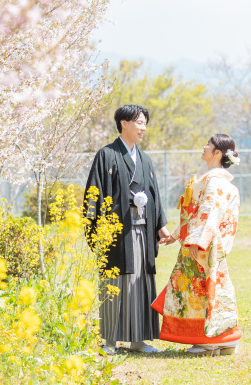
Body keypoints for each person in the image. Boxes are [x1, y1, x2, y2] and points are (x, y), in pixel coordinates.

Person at [84, 104, 173, 354]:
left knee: (142, 281)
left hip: (143, 229)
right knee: (117, 280)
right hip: (116, 231)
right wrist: (97, 229)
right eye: (139, 122)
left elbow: (155, 195)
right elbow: (94, 192)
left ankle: (139, 339)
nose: (144, 128)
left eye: (145, 123)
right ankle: (110, 340)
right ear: (124, 123)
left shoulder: (145, 159)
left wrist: (161, 226)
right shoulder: (107, 154)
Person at [151, 133, 242, 356]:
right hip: (207, 242)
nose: (204, 147)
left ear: (217, 153)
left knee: (202, 291)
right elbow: (195, 215)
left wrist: (196, 242)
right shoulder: (214, 180)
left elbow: (208, 213)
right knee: (215, 289)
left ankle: (207, 341)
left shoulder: (215, 181)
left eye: (208, 145)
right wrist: (175, 235)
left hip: (203, 245)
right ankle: (226, 340)